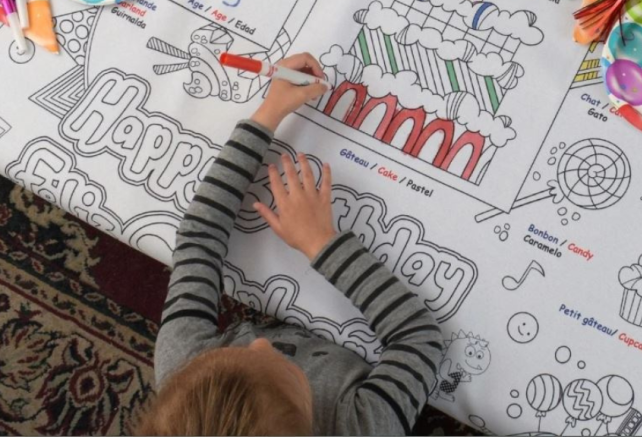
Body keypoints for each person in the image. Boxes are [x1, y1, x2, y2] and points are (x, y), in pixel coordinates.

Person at [133, 53, 444, 435]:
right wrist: (323, 244)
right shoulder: (360, 428)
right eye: (284, 370)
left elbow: (198, 239)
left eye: (242, 350)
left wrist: (269, 112)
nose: (261, 344)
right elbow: (418, 337)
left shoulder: (185, 379)